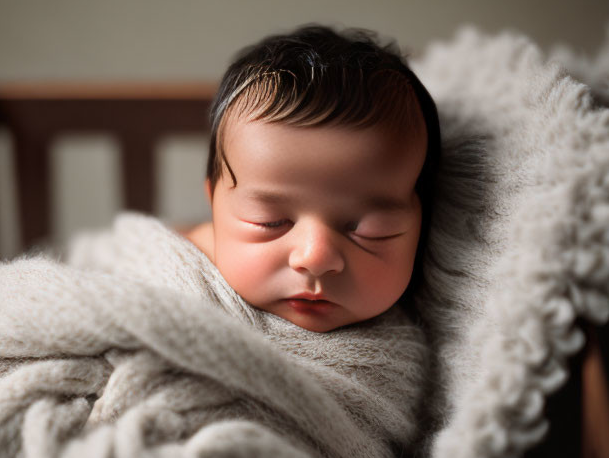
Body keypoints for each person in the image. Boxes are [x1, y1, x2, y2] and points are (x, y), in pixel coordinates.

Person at [181, 25, 441, 332]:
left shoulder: (431, 329)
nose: (315, 258)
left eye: (370, 229)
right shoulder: (179, 278)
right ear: (214, 205)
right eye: (269, 221)